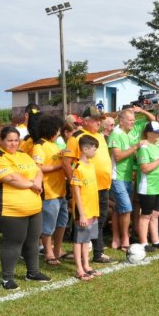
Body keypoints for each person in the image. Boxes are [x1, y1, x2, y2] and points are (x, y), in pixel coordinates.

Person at [0, 126, 50, 290]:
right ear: (1, 141)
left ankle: (33, 272)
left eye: (16, 140)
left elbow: (38, 170)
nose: (13, 143)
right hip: (10, 209)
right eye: (9, 140)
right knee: (14, 242)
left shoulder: (23, 155)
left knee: (32, 241)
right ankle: (7, 279)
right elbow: (11, 178)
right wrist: (32, 183)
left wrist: (37, 181)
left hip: (34, 207)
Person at [62, 106, 115, 264]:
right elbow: (66, 162)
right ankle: (94, 253)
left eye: (100, 119)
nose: (99, 122)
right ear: (85, 121)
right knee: (84, 221)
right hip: (87, 189)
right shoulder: (76, 137)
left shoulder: (99, 136)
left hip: (103, 186)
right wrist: (75, 184)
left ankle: (96, 252)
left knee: (100, 220)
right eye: (95, 119)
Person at [32, 115, 69, 268]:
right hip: (49, 192)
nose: (59, 133)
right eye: (58, 130)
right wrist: (58, 166)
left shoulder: (54, 145)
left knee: (62, 223)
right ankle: (48, 252)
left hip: (61, 191)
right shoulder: (39, 146)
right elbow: (37, 167)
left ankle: (57, 249)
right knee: (48, 225)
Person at [136, 121, 159, 251]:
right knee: (146, 215)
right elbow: (145, 169)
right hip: (148, 187)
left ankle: (155, 240)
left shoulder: (157, 146)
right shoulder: (144, 148)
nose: (158, 134)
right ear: (148, 133)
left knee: (155, 214)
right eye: (156, 132)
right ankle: (143, 242)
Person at [108, 109, 140, 251]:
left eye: (133, 120)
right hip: (117, 177)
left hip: (127, 178)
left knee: (118, 209)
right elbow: (118, 156)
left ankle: (116, 238)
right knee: (126, 208)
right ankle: (125, 237)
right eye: (130, 120)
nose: (133, 122)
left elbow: (130, 155)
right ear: (121, 121)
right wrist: (135, 148)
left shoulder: (127, 135)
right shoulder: (116, 134)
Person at [70, 135, 102, 281]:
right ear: (85, 149)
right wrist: (81, 214)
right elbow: (76, 192)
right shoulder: (78, 167)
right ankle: (79, 269)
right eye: (94, 149)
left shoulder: (91, 165)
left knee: (87, 239)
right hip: (83, 211)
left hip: (92, 209)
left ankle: (87, 266)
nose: (95, 151)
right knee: (79, 239)